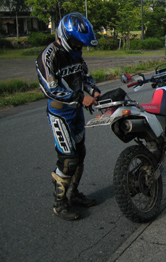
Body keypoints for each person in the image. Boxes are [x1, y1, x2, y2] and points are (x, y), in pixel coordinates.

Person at [35, 13, 101, 221]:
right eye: (75, 42)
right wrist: (81, 98)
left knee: (80, 154)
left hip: (77, 113)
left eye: (81, 44)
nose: (78, 46)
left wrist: (94, 90)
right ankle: (59, 203)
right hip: (60, 114)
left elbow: (84, 76)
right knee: (68, 159)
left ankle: (74, 194)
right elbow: (50, 90)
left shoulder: (76, 54)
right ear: (64, 36)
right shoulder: (48, 56)